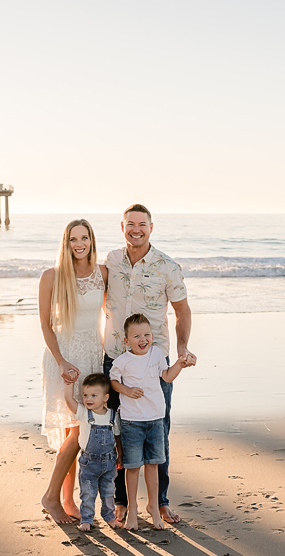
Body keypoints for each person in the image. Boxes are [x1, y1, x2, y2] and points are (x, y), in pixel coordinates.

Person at [103, 204, 197, 524]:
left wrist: (182, 348)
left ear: (151, 228)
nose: (136, 229)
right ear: (122, 226)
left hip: (154, 362)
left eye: (142, 224)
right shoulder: (112, 261)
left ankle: (159, 503)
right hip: (114, 358)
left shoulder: (168, 266)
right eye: (131, 224)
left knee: (159, 429)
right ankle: (121, 503)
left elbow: (183, 312)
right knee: (116, 432)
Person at [39, 219, 108, 524]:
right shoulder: (52, 276)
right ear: (65, 243)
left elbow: (114, 312)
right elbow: (45, 325)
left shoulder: (102, 273)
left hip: (93, 354)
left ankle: (67, 499)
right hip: (64, 357)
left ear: (92, 241)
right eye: (73, 239)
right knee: (78, 429)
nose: (79, 244)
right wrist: (62, 362)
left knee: (78, 430)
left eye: (85, 238)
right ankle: (53, 497)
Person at [110, 313, 187, 530]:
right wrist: (127, 390)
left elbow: (167, 377)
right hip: (132, 422)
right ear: (126, 341)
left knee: (153, 464)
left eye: (147, 334)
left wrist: (180, 364)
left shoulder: (157, 354)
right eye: (136, 336)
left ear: (152, 336)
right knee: (132, 467)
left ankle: (154, 507)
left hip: (155, 420)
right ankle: (132, 509)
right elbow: (113, 382)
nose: (142, 339)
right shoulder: (122, 361)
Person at [62, 373, 122, 531]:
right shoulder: (83, 413)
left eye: (94, 395)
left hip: (109, 462)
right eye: (85, 395)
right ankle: (87, 519)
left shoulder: (112, 416)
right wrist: (69, 383)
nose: (88, 399)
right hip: (89, 463)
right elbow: (69, 400)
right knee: (87, 493)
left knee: (109, 492)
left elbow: (117, 436)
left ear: (105, 397)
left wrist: (120, 454)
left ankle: (109, 516)